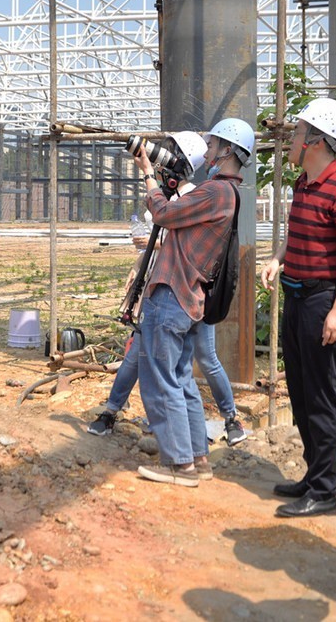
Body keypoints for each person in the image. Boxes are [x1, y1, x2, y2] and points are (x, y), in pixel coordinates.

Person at [88, 132, 248, 447]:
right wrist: (138, 271)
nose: (160, 160)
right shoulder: (187, 192)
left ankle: (207, 435)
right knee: (157, 364)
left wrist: (147, 173)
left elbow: (179, 236)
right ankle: (115, 412)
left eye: (165, 156)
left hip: (180, 292)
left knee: (182, 369)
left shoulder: (197, 194)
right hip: (169, 288)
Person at [259, 97, 336, 518]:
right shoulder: (304, 183)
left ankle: (325, 492)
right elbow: (297, 235)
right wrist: (279, 258)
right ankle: (313, 475)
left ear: (317, 141)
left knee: (323, 396)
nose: (291, 139)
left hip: (323, 301)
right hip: (296, 297)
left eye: (299, 133)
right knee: (302, 393)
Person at [132, 117, 253, 487]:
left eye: (214, 145)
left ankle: (178, 464)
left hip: (172, 293)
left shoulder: (216, 192)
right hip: (187, 298)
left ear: (229, 150)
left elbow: (164, 214)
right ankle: (197, 458)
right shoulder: (222, 192)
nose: (209, 151)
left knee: (160, 379)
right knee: (181, 380)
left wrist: (149, 175)